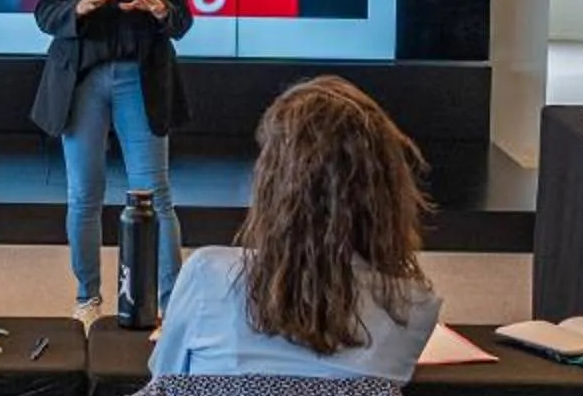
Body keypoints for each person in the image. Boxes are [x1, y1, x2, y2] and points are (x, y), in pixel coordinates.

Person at [150, 76, 442, 380]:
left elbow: (163, 386)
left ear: (272, 184)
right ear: (388, 190)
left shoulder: (206, 276)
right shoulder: (413, 309)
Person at [31, 0, 193, 327]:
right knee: (85, 195)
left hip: (140, 79)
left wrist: (158, 8)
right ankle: (88, 298)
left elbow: (182, 20)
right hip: (82, 80)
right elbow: (45, 12)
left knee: (155, 196)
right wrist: (78, 9)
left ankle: (170, 304)